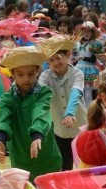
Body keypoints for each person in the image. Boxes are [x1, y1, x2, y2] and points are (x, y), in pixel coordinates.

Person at [0, 46, 62, 189]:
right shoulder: (8, 98)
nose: (26, 79)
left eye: (31, 74)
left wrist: (37, 135)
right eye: (21, 74)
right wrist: (1, 139)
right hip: (21, 158)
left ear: (37, 72)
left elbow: (41, 113)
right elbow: (3, 117)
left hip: (46, 155)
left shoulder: (44, 93)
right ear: (13, 74)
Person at [38, 36, 88, 171]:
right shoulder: (45, 76)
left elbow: (76, 92)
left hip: (80, 126)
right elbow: (42, 94)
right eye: (51, 60)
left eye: (59, 57)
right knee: (65, 163)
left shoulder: (77, 74)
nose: (56, 63)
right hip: (60, 129)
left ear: (68, 55)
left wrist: (70, 112)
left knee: (85, 161)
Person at [74, 21, 104, 107]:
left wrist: (82, 58)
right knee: (79, 91)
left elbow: (93, 59)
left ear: (92, 33)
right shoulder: (77, 43)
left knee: (88, 91)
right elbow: (74, 56)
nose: (86, 34)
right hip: (79, 68)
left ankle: (89, 111)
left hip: (89, 69)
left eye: (89, 31)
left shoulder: (94, 44)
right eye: (85, 31)